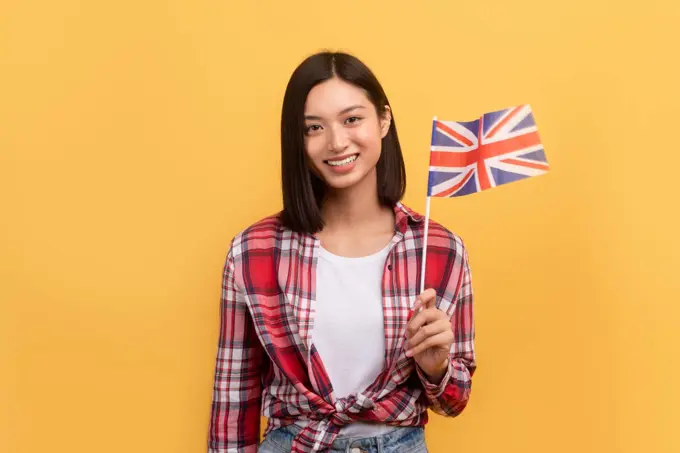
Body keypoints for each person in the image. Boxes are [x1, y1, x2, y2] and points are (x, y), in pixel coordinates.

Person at [208, 51, 476, 453]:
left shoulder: (439, 249)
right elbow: (235, 394)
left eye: (352, 119)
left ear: (383, 120)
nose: (336, 142)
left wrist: (437, 367)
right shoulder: (253, 251)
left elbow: (453, 401)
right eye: (314, 128)